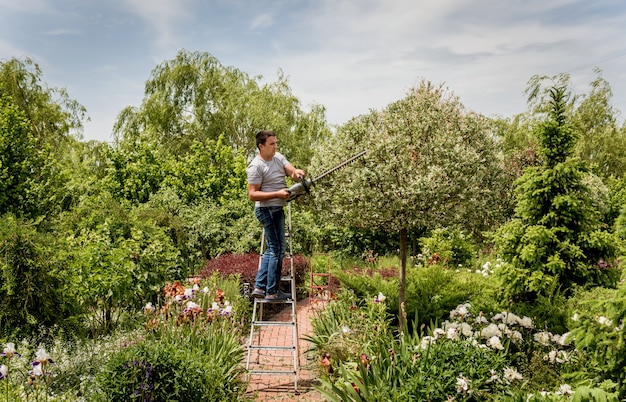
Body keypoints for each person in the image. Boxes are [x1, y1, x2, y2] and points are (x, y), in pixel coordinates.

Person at [247, 130, 305, 301]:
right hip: (267, 210)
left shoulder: (278, 157)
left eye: (276, 143)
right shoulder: (256, 166)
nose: (275, 146)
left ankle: (259, 287)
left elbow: (291, 171)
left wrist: (297, 174)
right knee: (277, 250)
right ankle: (272, 291)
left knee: (273, 249)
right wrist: (277, 194)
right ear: (261, 146)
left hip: (277, 209)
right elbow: (252, 195)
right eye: (271, 144)